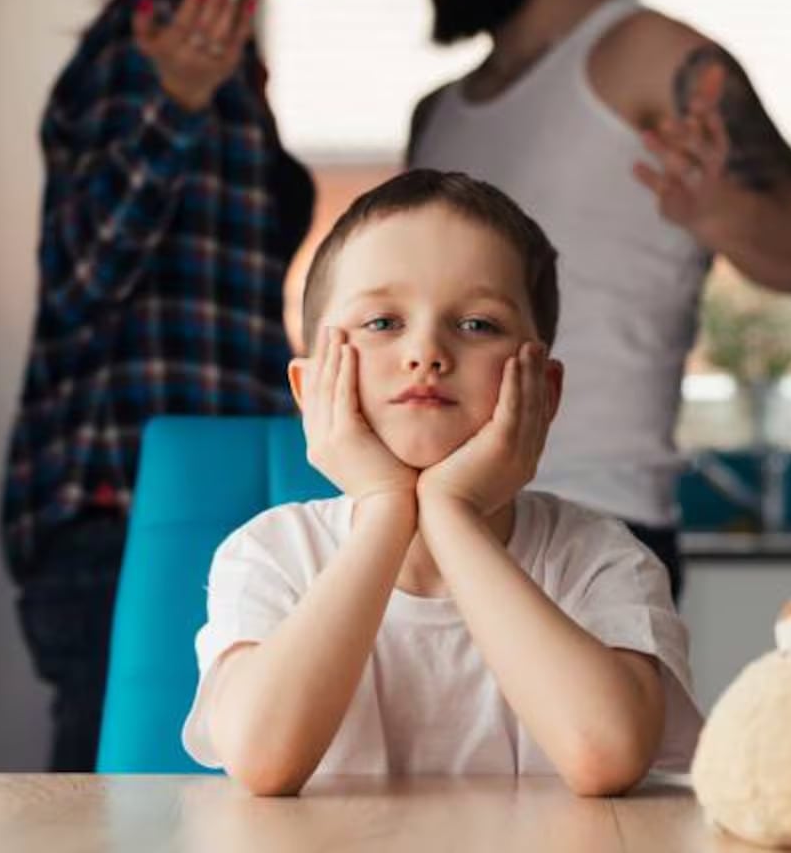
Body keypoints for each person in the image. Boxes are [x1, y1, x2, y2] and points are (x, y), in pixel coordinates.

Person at [399, 0, 791, 597]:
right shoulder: (435, 116)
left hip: (596, 529)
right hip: (431, 527)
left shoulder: (655, 60)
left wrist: (718, 212)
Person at [0, 0, 336, 772]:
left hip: (189, 495)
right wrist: (172, 108)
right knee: (127, 808)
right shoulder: (149, 50)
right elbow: (79, 277)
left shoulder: (221, 58)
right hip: (123, 506)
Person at [181, 170, 699, 795]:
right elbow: (263, 759)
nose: (426, 351)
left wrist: (451, 514)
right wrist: (384, 509)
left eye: (478, 324)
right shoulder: (268, 554)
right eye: (382, 323)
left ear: (544, 390)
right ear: (308, 388)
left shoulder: (600, 558)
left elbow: (608, 756)